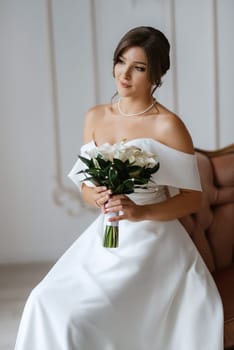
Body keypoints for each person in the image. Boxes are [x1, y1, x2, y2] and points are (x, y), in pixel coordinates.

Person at [15, 26, 223, 349]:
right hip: (106, 237)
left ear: (156, 74)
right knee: (41, 300)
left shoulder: (168, 126)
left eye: (138, 68)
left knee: (80, 319)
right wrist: (95, 196)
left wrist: (140, 212)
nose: (124, 75)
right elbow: (85, 188)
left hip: (153, 244)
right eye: (120, 62)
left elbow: (192, 200)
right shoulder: (95, 117)